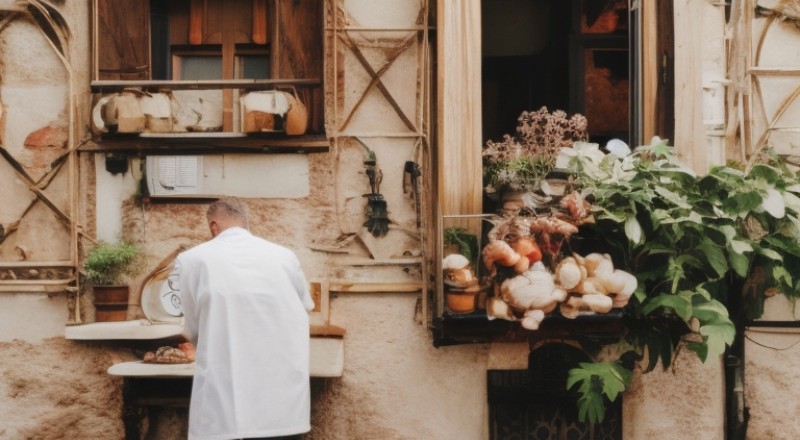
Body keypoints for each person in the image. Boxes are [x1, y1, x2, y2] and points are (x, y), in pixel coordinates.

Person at [176, 197, 315, 440]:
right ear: (246, 223)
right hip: (279, 396)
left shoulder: (192, 260)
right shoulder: (284, 256)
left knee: (227, 424)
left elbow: (191, 325)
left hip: (225, 394)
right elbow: (306, 306)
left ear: (213, 227)